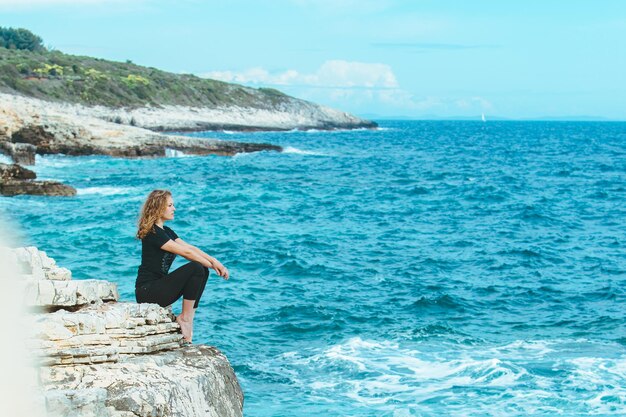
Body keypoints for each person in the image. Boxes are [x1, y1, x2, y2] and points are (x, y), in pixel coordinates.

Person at [135, 189, 229, 343]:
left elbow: (191, 248)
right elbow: (186, 253)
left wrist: (214, 261)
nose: (174, 209)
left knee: (202, 270)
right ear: (159, 208)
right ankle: (184, 318)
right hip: (147, 291)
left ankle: (188, 319)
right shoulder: (152, 233)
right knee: (196, 268)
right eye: (170, 205)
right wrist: (214, 266)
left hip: (159, 288)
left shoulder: (166, 231)